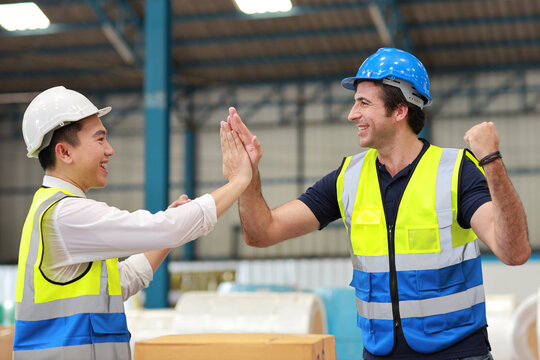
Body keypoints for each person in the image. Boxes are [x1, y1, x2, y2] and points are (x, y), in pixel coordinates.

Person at [227, 48, 530, 359]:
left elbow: (515, 252)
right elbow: (261, 233)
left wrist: (490, 161)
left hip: (457, 354)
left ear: (400, 110)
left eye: (364, 103)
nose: (352, 114)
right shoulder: (348, 178)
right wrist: (247, 176)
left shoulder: (456, 172)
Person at [13, 86, 251, 359]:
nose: (110, 150)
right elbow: (168, 228)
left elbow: (122, 281)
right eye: (100, 139)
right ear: (64, 152)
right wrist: (238, 181)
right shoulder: (65, 214)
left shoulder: (51, 210)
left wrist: (163, 239)